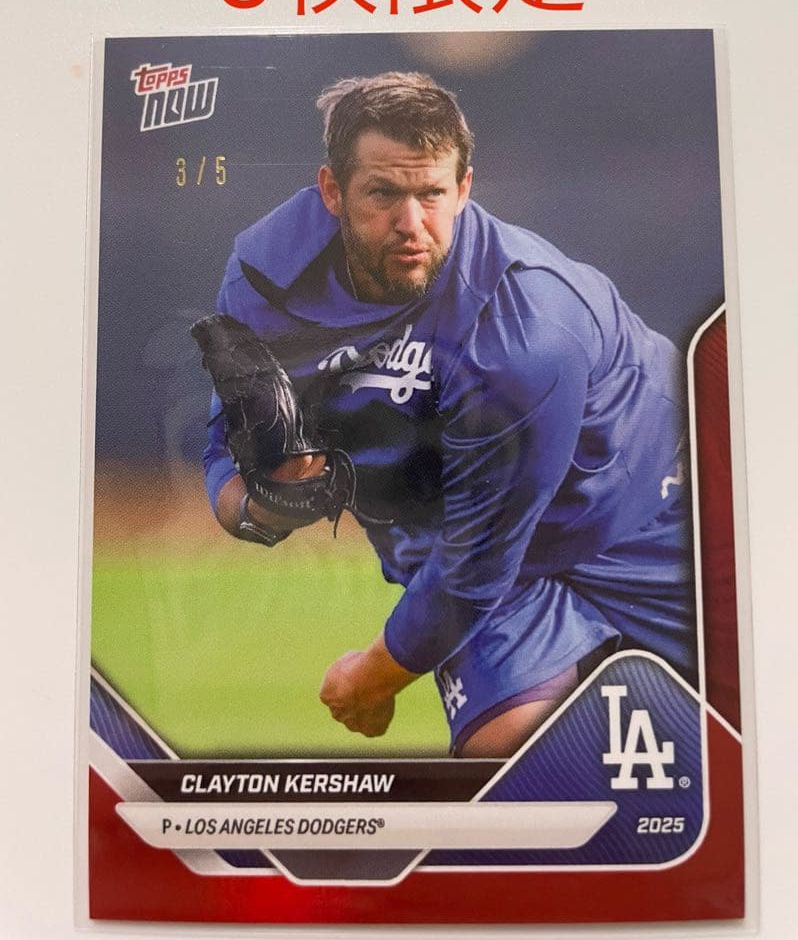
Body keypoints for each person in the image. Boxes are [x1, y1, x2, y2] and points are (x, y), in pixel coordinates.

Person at [203, 71, 695, 758]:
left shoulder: (524, 331)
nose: (411, 224)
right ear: (333, 191)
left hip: (647, 516)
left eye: (431, 194)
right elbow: (229, 448)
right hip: (476, 544)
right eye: (383, 194)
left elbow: (475, 565)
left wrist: (373, 675)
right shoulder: (265, 279)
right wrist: (261, 507)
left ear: (463, 189)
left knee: (740, 742)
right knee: (515, 762)